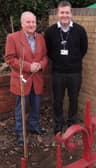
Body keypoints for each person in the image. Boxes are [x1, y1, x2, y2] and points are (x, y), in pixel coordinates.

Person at [5, 11, 48, 146]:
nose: (31, 24)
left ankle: (33, 127)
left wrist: (40, 65)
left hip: (37, 79)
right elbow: (10, 59)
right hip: (22, 80)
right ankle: (20, 132)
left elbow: (45, 57)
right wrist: (29, 67)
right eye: (28, 22)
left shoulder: (40, 38)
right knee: (21, 108)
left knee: (36, 106)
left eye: (33, 22)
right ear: (22, 23)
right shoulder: (13, 37)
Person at [45, 1, 88, 134]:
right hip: (58, 72)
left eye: (67, 12)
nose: (64, 15)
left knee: (73, 99)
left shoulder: (80, 30)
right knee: (57, 100)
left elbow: (84, 49)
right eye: (62, 12)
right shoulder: (50, 31)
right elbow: (48, 50)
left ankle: (71, 123)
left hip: (75, 73)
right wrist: (59, 60)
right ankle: (58, 124)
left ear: (71, 13)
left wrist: (72, 60)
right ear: (58, 14)